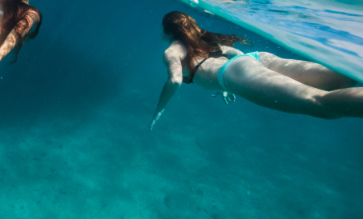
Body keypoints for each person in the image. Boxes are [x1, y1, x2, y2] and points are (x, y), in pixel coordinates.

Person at [150, 11, 362, 130]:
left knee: (321, 104)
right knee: (341, 79)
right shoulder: (201, 40)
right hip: (258, 59)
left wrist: (160, 108)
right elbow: (232, 54)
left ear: (166, 30)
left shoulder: (171, 51)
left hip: (238, 72)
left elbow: (176, 80)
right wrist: (226, 85)